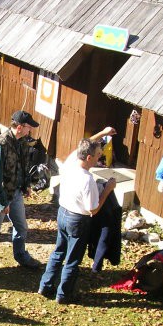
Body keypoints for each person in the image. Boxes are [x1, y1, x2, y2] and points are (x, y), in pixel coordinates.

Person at [38, 127, 117, 304]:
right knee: (72, 259)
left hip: (62, 214)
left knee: (59, 251)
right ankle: (63, 294)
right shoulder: (87, 180)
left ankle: (45, 285)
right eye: (97, 155)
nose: (100, 157)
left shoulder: (72, 161)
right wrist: (108, 189)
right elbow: (93, 209)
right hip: (78, 221)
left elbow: (85, 144)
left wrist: (102, 133)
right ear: (89, 158)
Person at [0, 111, 42, 277]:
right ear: (20, 127)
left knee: (21, 227)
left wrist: (26, 185)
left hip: (15, 193)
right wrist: (1, 202)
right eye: (29, 127)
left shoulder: (21, 142)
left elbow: (22, 166)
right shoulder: (0, 145)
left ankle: (21, 256)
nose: (31, 131)